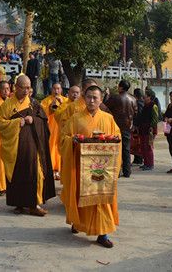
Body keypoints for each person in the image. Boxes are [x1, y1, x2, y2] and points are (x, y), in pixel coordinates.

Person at [60, 85, 122, 248]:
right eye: (88, 97)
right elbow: (63, 138)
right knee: (81, 198)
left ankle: (103, 234)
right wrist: (72, 140)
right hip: (81, 168)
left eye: (95, 97)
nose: (92, 100)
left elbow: (118, 137)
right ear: (84, 98)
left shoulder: (108, 118)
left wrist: (114, 139)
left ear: (101, 100)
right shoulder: (76, 118)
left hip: (103, 168)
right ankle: (78, 223)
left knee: (102, 200)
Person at [0, 75, 55, 216]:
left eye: (28, 88)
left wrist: (33, 119)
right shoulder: (7, 105)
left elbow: (44, 121)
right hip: (15, 146)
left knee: (36, 173)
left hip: (32, 145)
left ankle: (35, 204)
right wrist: (16, 123)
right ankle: (19, 203)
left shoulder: (33, 104)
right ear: (16, 87)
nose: (26, 91)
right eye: (23, 87)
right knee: (17, 174)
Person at [104, 80, 137, 178]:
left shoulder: (115, 97)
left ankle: (117, 171)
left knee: (116, 149)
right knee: (126, 149)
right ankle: (127, 171)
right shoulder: (133, 99)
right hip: (128, 126)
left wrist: (106, 95)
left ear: (121, 87)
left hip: (116, 126)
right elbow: (135, 112)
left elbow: (104, 106)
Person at [40, 83, 68, 180]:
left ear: (61, 90)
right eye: (54, 88)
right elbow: (41, 114)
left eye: (58, 89)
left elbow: (69, 111)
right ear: (51, 89)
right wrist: (49, 108)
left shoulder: (65, 100)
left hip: (62, 129)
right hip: (50, 128)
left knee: (60, 148)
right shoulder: (45, 101)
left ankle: (59, 170)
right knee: (51, 148)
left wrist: (62, 104)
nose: (56, 91)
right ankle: (51, 169)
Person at [136, 90, 159, 171]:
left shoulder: (154, 106)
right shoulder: (145, 105)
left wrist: (151, 128)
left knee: (148, 147)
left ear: (149, 97)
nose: (143, 97)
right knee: (143, 147)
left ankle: (150, 164)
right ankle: (146, 163)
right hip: (143, 129)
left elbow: (155, 119)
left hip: (149, 131)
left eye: (145, 95)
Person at [132, 88, 144, 165]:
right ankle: (138, 159)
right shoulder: (143, 102)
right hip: (141, 126)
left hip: (138, 126)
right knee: (138, 143)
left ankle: (138, 159)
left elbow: (138, 115)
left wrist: (135, 125)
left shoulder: (138, 103)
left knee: (137, 143)